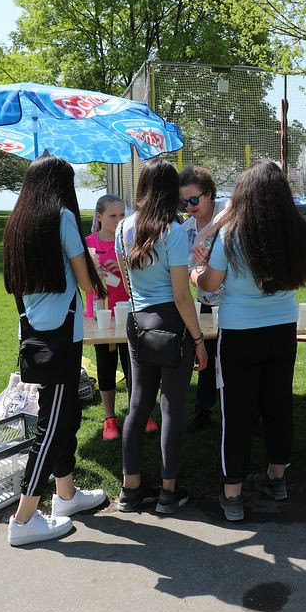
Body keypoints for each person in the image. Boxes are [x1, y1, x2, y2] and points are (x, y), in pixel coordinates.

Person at [194, 159, 306, 522]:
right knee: (278, 403)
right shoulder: (299, 230)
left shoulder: (232, 235)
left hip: (240, 332)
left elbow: (209, 285)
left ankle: (233, 495)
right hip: (282, 328)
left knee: (237, 411)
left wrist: (198, 269)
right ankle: (277, 479)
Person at [2, 154, 108, 546]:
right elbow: (85, 281)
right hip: (61, 337)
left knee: (65, 417)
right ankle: (24, 519)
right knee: (51, 426)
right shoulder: (62, 217)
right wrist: (91, 262)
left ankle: (66, 496)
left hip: (34, 332)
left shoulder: (18, 222)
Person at [115, 158, 208, 514]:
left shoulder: (124, 225)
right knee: (171, 406)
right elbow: (183, 295)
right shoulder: (174, 229)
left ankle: (130, 489)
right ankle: (168, 492)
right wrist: (198, 340)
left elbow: (126, 280)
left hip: (138, 321)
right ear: (171, 192)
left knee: (138, 404)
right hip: (171, 321)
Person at [85, 194, 145, 441]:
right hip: (101, 317)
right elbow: (84, 285)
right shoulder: (87, 244)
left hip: (130, 311)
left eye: (123, 215)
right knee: (106, 366)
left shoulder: (130, 240)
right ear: (98, 217)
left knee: (134, 365)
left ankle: (139, 412)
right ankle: (110, 418)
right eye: (113, 216)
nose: (119, 220)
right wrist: (97, 272)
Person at [180, 166, 228, 433]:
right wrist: (199, 271)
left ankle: (241, 412)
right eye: (184, 202)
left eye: (195, 199)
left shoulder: (225, 208)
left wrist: (207, 233)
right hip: (207, 303)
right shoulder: (185, 229)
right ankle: (203, 409)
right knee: (207, 359)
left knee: (232, 360)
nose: (189, 206)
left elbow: (235, 207)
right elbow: (188, 270)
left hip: (233, 302)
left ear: (210, 194)